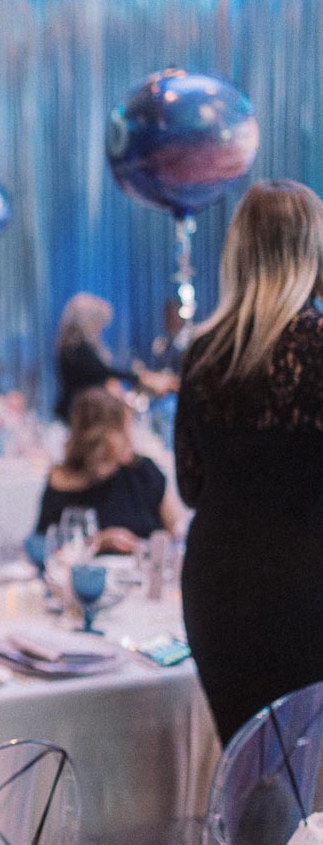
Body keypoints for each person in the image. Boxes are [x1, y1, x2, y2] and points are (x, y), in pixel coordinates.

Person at [176, 180, 323, 743]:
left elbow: (191, 486)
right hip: (305, 584)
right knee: (304, 786)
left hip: (219, 588)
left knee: (253, 781)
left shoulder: (203, 353)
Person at [35, 389, 181, 554]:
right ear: (99, 438)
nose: (130, 438)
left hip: (145, 573)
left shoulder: (143, 470)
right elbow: (42, 546)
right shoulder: (62, 480)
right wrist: (98, 542)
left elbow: (178, 530)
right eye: (122, 429)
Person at [54, 293, 174, 422]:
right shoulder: (75, 348)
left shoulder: (75, 347)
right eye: (99, 324)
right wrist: (141, 377)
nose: (100, 330)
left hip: (82, 411)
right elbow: (101, 371)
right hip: (78, 414)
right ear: (87, 321)